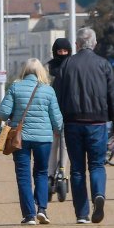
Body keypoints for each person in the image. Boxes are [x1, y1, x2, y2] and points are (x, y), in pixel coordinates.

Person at [54, 27, 114, 224]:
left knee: (77, 169)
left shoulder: (66, 65)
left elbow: (56, 96)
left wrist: (57, 122)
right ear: (94, 44)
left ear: (77, 44)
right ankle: (98, 194)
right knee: (97, 164)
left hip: (73, 121)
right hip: (97, 122)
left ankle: (82, 213)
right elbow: (113, 97)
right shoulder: (103, 64)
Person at [0, 59, 63, 225]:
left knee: (23, 175)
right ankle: (42, 209)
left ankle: (29, 215)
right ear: (41, 72)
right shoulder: (48, 90)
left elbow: (4, 113)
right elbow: (57, 119)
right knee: (41, 172)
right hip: (43, 138)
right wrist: (57, 129)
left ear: (24, 71)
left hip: (20, 138)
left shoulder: (15, 87)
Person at [46, 38, 72, 190]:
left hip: (67, 110)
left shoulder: (72, 66)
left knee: (64, 143)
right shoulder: (50, 68)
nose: (62, 54)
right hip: (53, 110)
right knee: (54, 142)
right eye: (59, 51)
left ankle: (62, 170)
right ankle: (50, 173)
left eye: (65, 51)